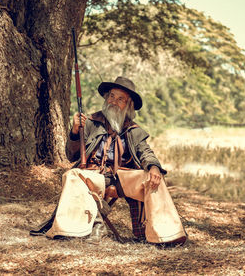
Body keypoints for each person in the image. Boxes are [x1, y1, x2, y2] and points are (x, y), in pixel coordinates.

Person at [30, 76, 186, 245]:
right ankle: (79, 229)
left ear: (128, 105)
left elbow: (146, 153)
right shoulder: (89, 123)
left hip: (122, 178)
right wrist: (75, 131)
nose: (114, 101)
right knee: (73, 175)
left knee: (154, 178)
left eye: (121, 99)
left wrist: (154, 167)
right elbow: (71, 155)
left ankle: (166, 235)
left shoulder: (134, 130)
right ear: (106, 98)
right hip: (94, 175)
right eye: (112, 96)